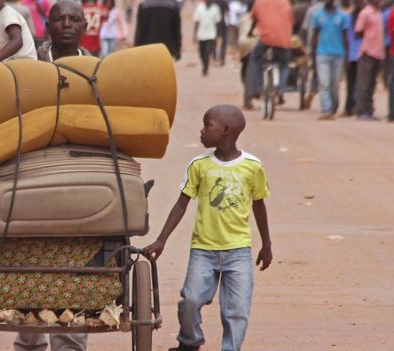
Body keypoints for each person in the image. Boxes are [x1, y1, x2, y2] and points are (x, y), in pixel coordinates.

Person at [144, 104, 272, 351]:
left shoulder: (252, 166)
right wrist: (162, 239)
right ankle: (190, 341)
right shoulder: (199, 165)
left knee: (237, 310)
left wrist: (266, 245)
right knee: (190, 301)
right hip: (204, 249)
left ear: (225, 130)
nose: (201, 131)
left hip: (239, 251)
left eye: (207, 125)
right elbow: (181, 204)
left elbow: (259, 206)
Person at [15, 5, 89, 351]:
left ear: (85, 25)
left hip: (78, 169)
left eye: (74, 19)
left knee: (80, 254)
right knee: (29, 250)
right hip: (35, 165)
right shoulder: (32, 65)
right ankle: (29, 337)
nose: (66, 25)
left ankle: (70, 342)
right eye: (60, 18)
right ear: (47, 24)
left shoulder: (96, 69)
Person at [244, 0, 293, 109]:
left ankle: (256, 88)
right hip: (283, 41)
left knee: (255, 59)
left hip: (266, 40)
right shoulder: (285, 2)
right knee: (284, 65)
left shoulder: (260, 2)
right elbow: (290, 21)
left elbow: (254, 19)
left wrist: (250, 32)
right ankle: (281, 90)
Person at [311, 0, 349, 120]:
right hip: (322, 54)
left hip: (338, 54)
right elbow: (314, 36)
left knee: (334, 85)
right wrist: (312, 55)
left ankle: (334, 106)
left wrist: (347, 56)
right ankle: (326, 110)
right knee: (324, 83)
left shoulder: (342, 16)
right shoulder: (317, 15)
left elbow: (345, 37)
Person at [354, 0, 385, 120]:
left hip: (378, 53)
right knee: (364, 84)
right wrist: (368, 40)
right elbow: (358, 31)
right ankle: (361, 111)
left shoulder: (378, 13)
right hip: (367, 52)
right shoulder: (365, 13)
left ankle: (369, 111)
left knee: (372, 84)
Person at [343, 0, 364, 116]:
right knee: (355, 83)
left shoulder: (351, 17)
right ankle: (351, 107)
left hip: (356, 54)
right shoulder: (350, 17)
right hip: (356, 54)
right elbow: (346, 37)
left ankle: (351, 107)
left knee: (354, 83)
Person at [194, 0, 222, 76]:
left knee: (207, 52)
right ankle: (204, 65)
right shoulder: (200, 7)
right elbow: (197, 22)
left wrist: (217, 35)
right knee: (201, 54)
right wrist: (194, 36)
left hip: (211, 34)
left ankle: (205, 68)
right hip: (201, 34)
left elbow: (217, 23)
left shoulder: (215, 8)